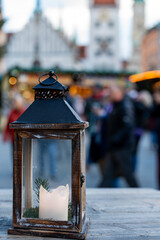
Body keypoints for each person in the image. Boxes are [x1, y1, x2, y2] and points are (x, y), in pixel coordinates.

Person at [99, 84, 139, 188]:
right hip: (114, 146)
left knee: (128, 174)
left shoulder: (125, 105)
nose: (109, 94)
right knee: (108, 175)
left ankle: (139, 193)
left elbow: (128, 126)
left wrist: (115, 139)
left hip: (122, 147)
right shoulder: (116, 105)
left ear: (119, 93)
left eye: (112, 92)